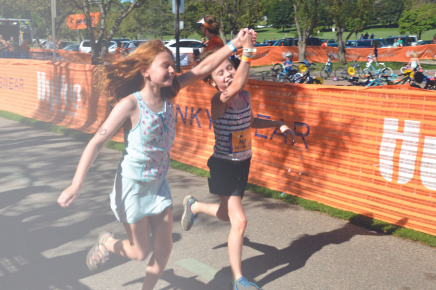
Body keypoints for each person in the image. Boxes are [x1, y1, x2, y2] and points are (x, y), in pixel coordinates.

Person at [57, 30, 256, 290]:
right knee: (139, 252)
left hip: (159, 186)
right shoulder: (130, 104)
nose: (173, 70)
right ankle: (107, 243)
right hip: (132, 188)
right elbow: (97, 141)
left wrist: (234, 44)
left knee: (164, 249)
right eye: (166, 65)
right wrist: (76, 184)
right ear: (144, 70)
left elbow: (203, 68)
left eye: (173, 65)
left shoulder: (169, 94)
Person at [181, 32, 296, 290]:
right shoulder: (218, 101)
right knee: (240, 221)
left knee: (227, 215)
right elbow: (236, 87)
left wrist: (278, 124)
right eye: (220, 73)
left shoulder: (245, 98)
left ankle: (195, 207)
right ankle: (238, 281)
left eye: (230, 68)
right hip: (222, 165)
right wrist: (247, 50)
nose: (228, 74)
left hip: (243, 163)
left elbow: (250, 122)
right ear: (211, 83)